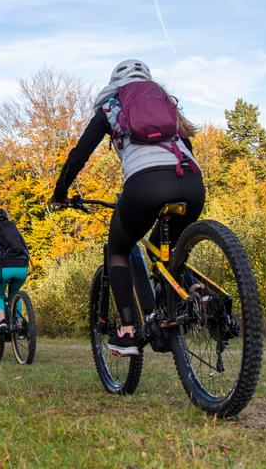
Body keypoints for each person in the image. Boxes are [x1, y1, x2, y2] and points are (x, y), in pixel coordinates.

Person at [52, 60, 205, 356]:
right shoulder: (165, 103)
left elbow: (79, 155)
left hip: (144, 184)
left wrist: (60, 192)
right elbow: (187, 146)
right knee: (165, 249)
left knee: (119, 248)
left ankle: (128, 330)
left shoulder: (111, 106)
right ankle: (196, 292)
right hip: (191, 182)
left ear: (115, 83)